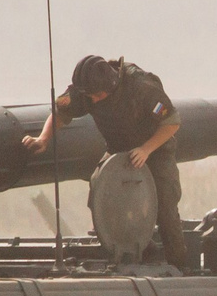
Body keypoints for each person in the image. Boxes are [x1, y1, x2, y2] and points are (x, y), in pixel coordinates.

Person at [21, 55, 187, 267]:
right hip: (118, 149)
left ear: (112, 85)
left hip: (155, 149)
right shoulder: (87, 91)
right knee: (101, 192)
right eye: (91, 96)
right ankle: (140, 252)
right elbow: (61, 112)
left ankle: (179, 265)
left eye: (98, 95)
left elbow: (171, 122)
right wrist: (43, 138)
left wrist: (146, 149)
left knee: (166, 205)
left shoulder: (142, 88)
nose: (95, 100)